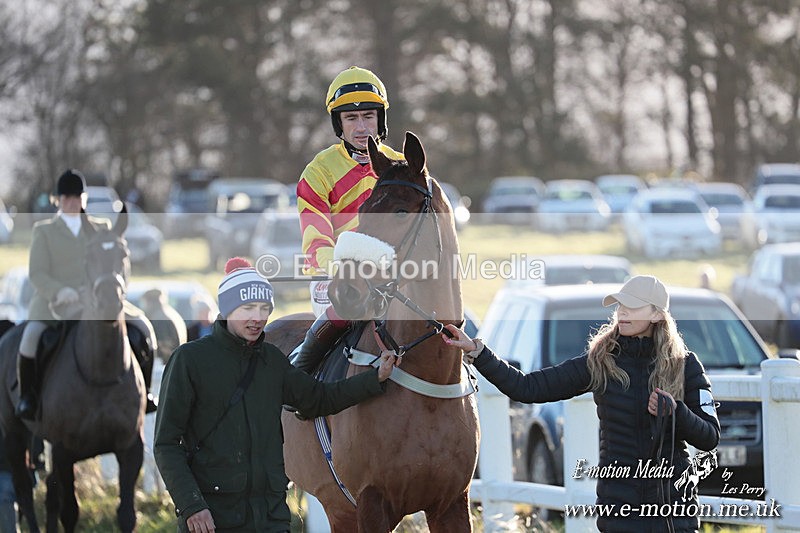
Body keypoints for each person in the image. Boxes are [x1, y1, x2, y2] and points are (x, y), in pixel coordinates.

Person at [443, 275, 721, 532]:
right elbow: (527, 387)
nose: (622, 312)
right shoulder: (600, 361)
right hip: (619, 512)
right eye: (619, 305)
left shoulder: (685, 366)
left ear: (657, 314)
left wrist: (676, 412)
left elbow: (709, 436)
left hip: (674, 513)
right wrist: (477, 352)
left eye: (633, 306)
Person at [154, 257, 397, 532]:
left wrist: (373, 379)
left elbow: (318, 399)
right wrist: (191, 506)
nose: (257, 318)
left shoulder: (272, 359)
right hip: (211, 519)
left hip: (270, 518)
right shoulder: (189, 360)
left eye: (264, 308)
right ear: (227, 309)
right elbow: (166, 444)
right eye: (247, 308)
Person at [17, 169, 157, 419]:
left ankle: (144, 392)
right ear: (57, 200)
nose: (72, 202)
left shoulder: (100, 227)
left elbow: (119, 264)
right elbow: (37, 273)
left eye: (77, 196)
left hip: (100, 300)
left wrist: (113, 288)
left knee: (145, 329)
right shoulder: (44, 231)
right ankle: (29, 397)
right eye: (67, 197)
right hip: (55, 302)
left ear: (84, 199)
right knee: (30, 339)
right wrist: (60, 291)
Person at [293, 66, 404, 374]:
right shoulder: (317, 173)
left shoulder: (399, 167)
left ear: (380, 119)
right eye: (351, 118)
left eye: (368, 116)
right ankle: (300, 383)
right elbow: (316, 243)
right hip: (337, 276)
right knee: (346, 311)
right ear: (338, 124)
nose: (361, 127)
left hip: (393, 275)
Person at [139, 288, 188, 363]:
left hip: (165, 366)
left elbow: (165, 350)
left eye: (145, 303)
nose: (144, 307)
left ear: (151, 302)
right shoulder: (171, 313)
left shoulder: (160, 319)